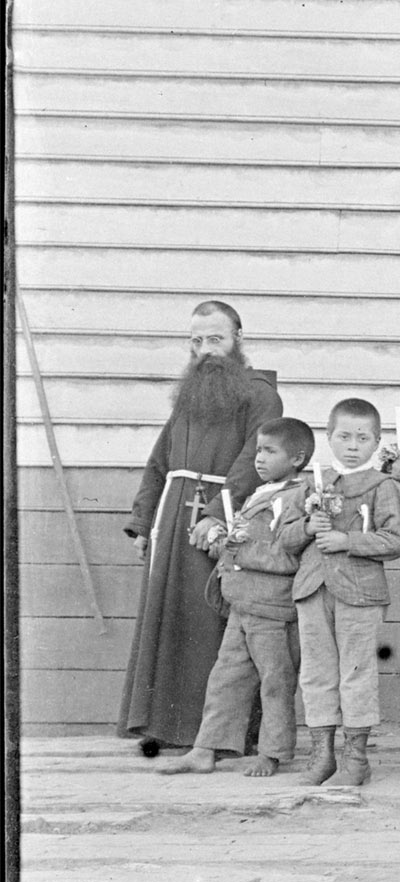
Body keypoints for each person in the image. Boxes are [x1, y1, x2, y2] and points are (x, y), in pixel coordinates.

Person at [121, 300, 284, 752]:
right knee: (170, 620)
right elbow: (160, 460)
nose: (206, 349)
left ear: (238, 339)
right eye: (197, 341)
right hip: (173, 520)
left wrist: (215, 512)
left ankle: (216, 734)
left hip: (223, 520)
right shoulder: (190, 393)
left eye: (216, 339)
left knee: (212, 624)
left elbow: (254, 461)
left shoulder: (260, 395)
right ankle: (167, 726)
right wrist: (143, 522)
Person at [156, 417, 311, 778]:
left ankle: (272, 753)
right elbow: (246, 545)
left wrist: (237, 550)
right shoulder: (261, 492)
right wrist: (223, 545)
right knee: (225, 678)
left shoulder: (298, 498)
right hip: (242, 605)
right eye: (258, 450)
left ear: (297, 459)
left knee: (275, 682)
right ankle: (205, 749)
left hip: (272, 610)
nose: (259, 458)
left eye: (270, 451)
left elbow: (289, 556)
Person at [279, 398, 400, 788]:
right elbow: (285, 538)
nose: (353, 446)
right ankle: (323, 756)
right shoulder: (311, 484)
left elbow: (395, 540)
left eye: (363, 438)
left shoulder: (383, 486)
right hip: (313, 588)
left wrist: (347, 540)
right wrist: (307, 526)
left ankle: (356, 759)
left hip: (359, 593)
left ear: (377, 442)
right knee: (316, 673)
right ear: (329, 437)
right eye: (344, 437)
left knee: (356, 673)